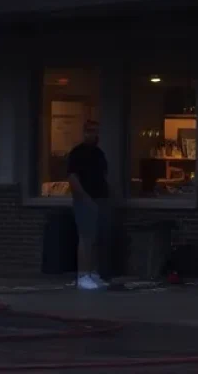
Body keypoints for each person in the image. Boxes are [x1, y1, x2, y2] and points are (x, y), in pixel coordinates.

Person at [66, 119, 110, 291]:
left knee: (96, 238)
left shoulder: (99, 153)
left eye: (96, 130)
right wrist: (84, 198)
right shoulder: (77, 154)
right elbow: (72, 178)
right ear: (84, 132)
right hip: (85, 200)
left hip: (100, 199)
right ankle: (83, 275)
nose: (93, 134)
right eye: (90, 131)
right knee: (86, 238)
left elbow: (104, 175)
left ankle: (93, 273)